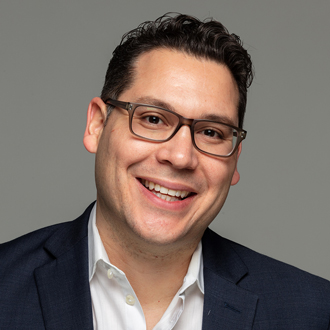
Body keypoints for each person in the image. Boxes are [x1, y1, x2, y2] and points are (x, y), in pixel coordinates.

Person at [0, 12, 329, 330]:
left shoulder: (312, 313)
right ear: (97, 125)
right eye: (153, 119)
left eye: (211, 132)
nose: (181, 156)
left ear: (235, 160)